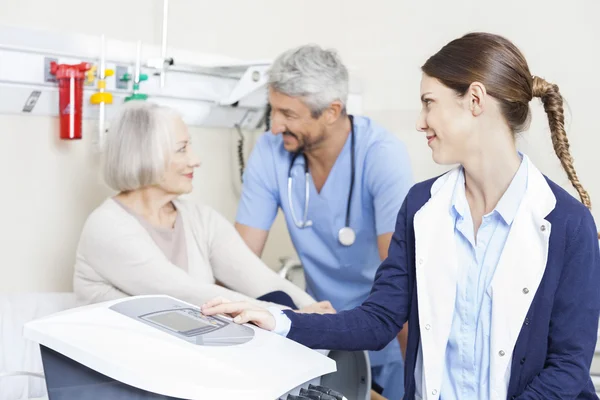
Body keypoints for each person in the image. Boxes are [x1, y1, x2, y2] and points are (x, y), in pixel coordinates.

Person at [203, 32, 600, 399]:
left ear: (475, 100)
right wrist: (281, 321)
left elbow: (566, 369)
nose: (419, 122)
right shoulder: (422, 206)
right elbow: (379, 320)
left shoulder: (567, 224)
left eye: (429, 103)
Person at [234, 44, 413, 398]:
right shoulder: (271, 153)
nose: (274, 126)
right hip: (317, 332)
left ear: (331, 111)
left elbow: (402, 280)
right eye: (273, 110)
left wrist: (417, 379)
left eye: (288, 113)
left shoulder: (381, 156)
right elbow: (238, 259)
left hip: (385, 336)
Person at [73, 101, 334, 315]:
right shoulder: (108, 228)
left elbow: (259, 279)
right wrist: (284, 316)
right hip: (120, 368)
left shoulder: (200, 219)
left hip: (180, 360)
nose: (195, 160)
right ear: (145, 155)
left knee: (279, 297)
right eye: (182, 149)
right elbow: (184, 293)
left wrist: (313, 309)